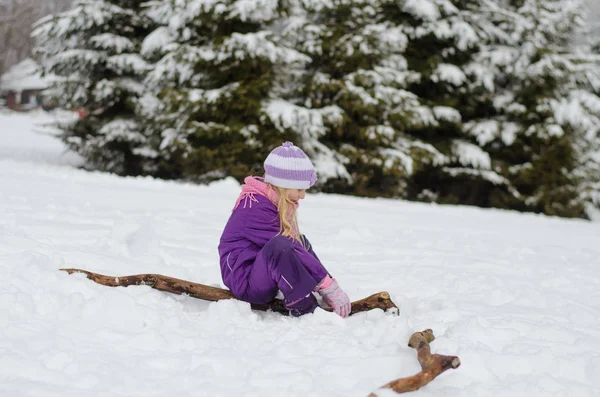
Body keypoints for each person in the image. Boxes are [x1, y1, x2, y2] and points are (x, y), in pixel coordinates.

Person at [218, 141, 352, 317]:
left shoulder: (271, 200)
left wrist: (327, 284)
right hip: (246, 283)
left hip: (260, 271)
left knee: (300, 241)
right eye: (299, 189)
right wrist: (328, 286)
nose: (303, 196)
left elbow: (297, 246)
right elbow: (286, 249)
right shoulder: (256, 207)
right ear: (283, 184)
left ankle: (314, 288)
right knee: (281, 245)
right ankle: (305, 307)